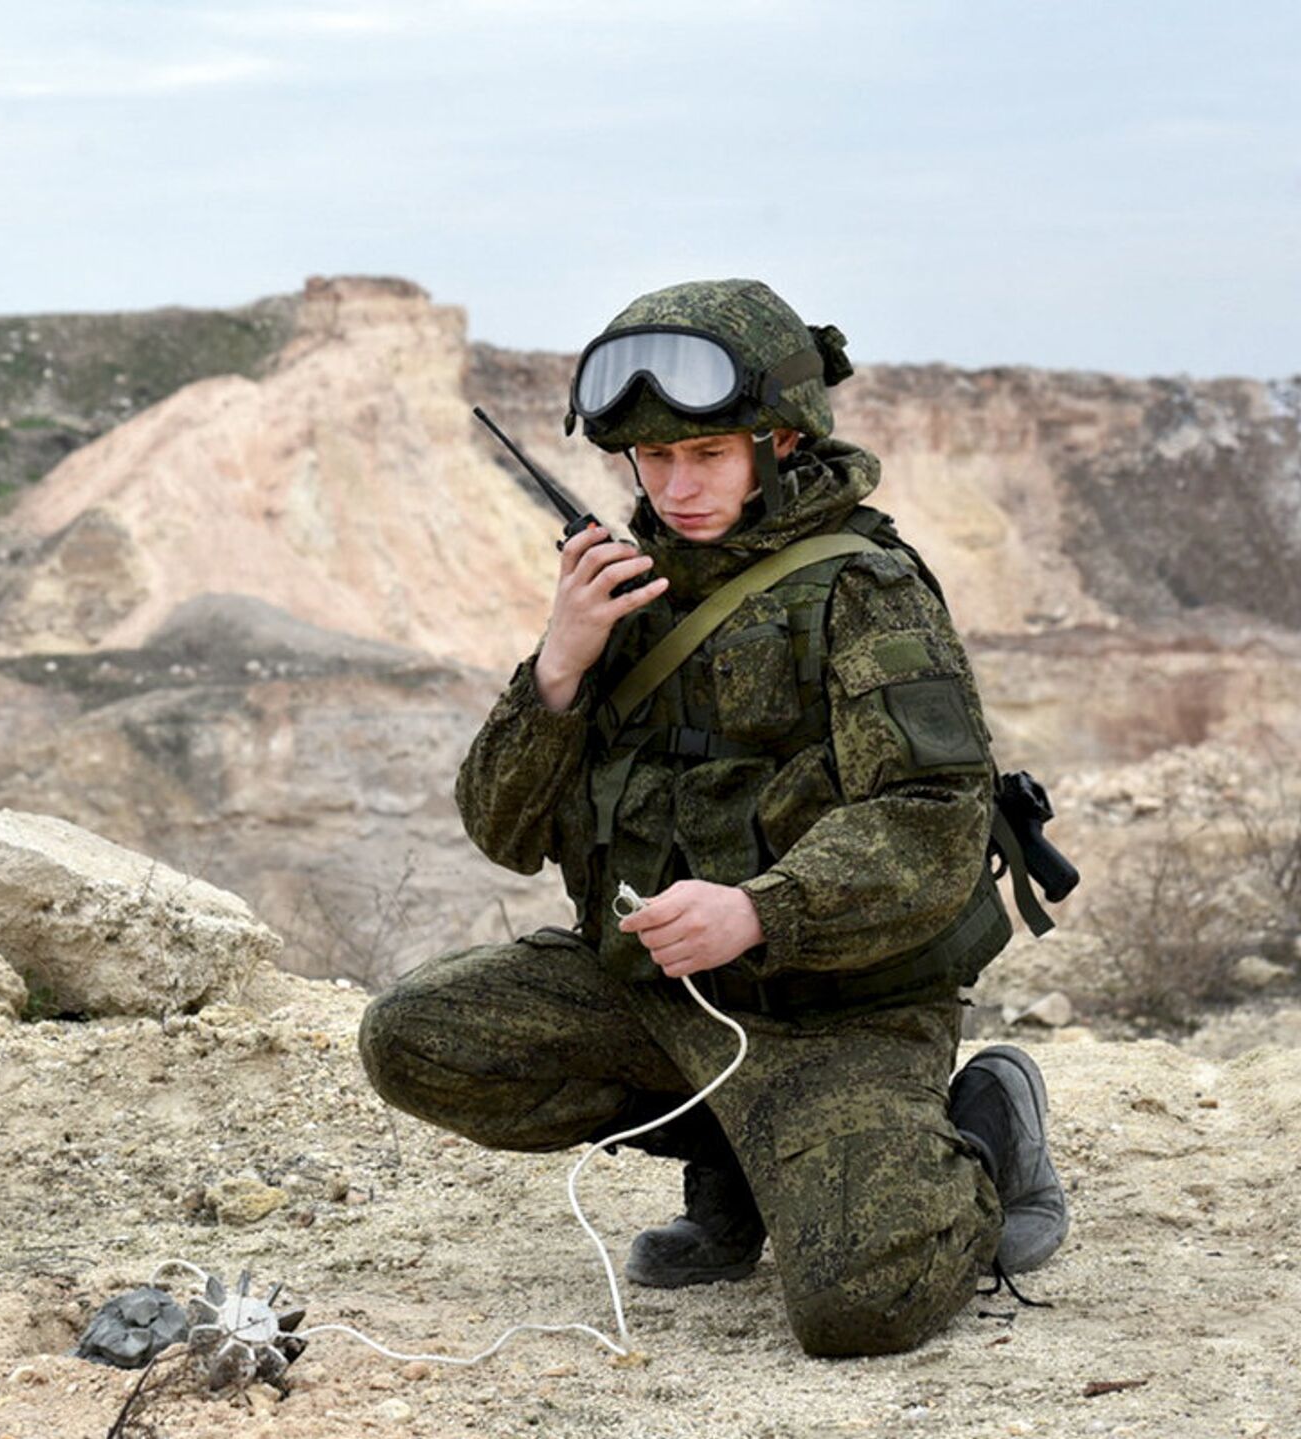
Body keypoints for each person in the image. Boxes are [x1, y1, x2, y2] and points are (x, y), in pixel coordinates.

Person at [357, 278, 1068, 1358]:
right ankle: (739, 1151)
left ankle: (984, 1127)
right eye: (652, 460)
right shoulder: (622, 594)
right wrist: (557, 668)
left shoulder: (862, 589)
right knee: (416, 1039)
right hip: (667, 996)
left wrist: (760, 910)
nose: (675, 486)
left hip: (841, 1010)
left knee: (858, 1307)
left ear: (779, 442)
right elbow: (501, 831)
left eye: (707, 456)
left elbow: (931, 818)